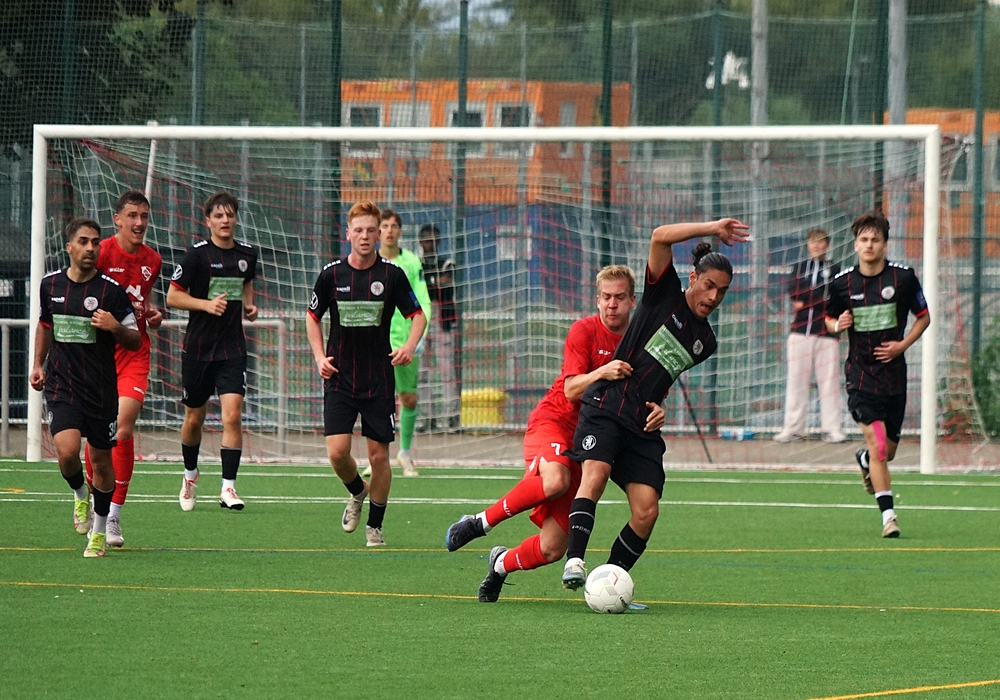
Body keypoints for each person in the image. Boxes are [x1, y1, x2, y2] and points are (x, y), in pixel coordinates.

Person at [444, 265, 667, 603]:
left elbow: (651, 389)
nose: (612, 304)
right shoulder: (583, 331)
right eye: (606, 297)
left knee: (552, 548)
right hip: (555, 423)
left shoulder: (641, 341)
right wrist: (603, 371)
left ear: (633, 300)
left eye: (620, 297)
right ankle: (479, 522)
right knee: (556, 481)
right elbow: (571, 389)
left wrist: (659, 408)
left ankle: (500, 565)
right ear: (597, 300)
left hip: (592, 440)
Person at [561, 218, 749, 590]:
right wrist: (713, 227)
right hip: (606, 405)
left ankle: (608, 582)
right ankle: (575, 562)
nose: (714, 297)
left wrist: (662, 406)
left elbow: (661, 374)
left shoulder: (706, 343)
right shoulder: (663, 293)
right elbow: (659, 237)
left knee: (647, 511)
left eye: (722, 291)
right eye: (709, 285)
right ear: (693, 278)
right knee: (595, 475)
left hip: (642, 423)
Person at [306, 201, 426, 547]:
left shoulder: (392, 275)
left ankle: (375, 527)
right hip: (339, 376)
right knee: (337, 452)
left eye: (371, 230)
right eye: (358, 230)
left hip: (378, 379)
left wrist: (409, 347)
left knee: (379, 456)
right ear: (348, 234)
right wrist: (319, 357)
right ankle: (358, 491)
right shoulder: (331, 275)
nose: (365, 236)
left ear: (377, 235)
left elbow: (417, 315)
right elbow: (312, 318)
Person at [29, 218, 141, 557]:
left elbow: (135, 340)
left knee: (102, 462)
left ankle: (99, 529)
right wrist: (37, 364)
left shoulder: (111, 292)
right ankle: (80, 495)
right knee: (66, 452)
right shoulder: (50, 285)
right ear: (69, 247)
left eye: (95, 242)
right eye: (83, 241)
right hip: (62, 385)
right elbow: (45, 325)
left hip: (101, 389)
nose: (91, 248)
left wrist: (114, 327)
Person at [825, 210, 930, 538]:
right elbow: (828, 320)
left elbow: (924, 316)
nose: (869, 245)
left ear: (885, 244)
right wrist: (837, 325)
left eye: (875, 239)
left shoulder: (904, 278)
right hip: (860, 376)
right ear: (855, 245)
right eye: (864, 239)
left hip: (894, 377)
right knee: (880, 446)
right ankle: (889, 518)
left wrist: (902, 345)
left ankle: (865, 459)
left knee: (886, 453)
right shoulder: (842, 283)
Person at [167, 191, 258, 512]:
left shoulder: (247, 254)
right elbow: (172, 297)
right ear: (208, 221)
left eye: (230, 215)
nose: (225, 220)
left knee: (232, 415)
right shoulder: (197, 256)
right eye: (218, 215)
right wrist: (205, 305)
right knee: (194, 418)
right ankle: (190, 475)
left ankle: (228, 487)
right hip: (198, 349)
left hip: (232, 349)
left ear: (236, 219)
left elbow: (246, 285)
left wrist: (249, 307)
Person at [81, 190, 162, 547]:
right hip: (99, 354)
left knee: (122, 427)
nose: (139, 222)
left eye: (144, 216)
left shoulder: (153, 259)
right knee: (97, 434)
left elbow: (144, 298)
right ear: (117, 219)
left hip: (134, 352)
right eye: (132, 215)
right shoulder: (100, 252)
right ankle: (91, 500)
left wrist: (153, 314)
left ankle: (113, 515)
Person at [374, 208, 431, 477]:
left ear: (400, 231)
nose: (389, 231)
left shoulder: (411, 262)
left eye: (393, 226)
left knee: (408, 398)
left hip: (405, 342)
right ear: (378, 231)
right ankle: (377, 456)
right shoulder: (370, 261)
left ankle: (405, 453)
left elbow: (423, 299)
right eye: (384, 226)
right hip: (375, 340)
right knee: (375, 400)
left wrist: (418, 337)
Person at [774, 228, 845, 443]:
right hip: (800, 331)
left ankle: (832, 429)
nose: (816, 245)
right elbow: (794, 291)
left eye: (820, 242)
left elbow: (835, 297)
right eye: (812, 242)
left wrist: (809, 299)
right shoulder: (799, 268)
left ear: (827, 245)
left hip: (826, 334)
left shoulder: (835, 269)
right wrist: (818, 298)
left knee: (829, 383)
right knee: (796, 380)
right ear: (807, 245)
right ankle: (794, 428)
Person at [417, 224, 459, 430]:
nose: (430, 244)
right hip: (420, 319)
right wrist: (431, 282)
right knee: (422, 372)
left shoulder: (446, 263)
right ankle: (428, 417)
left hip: (441, 319)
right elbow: (418, 288)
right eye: (426, 240)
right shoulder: (415, 264)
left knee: (446, 370)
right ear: (420, 242)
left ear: (439, 241)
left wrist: (428, 282)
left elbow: (444, 283)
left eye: (433, 240)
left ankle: (452, 417)